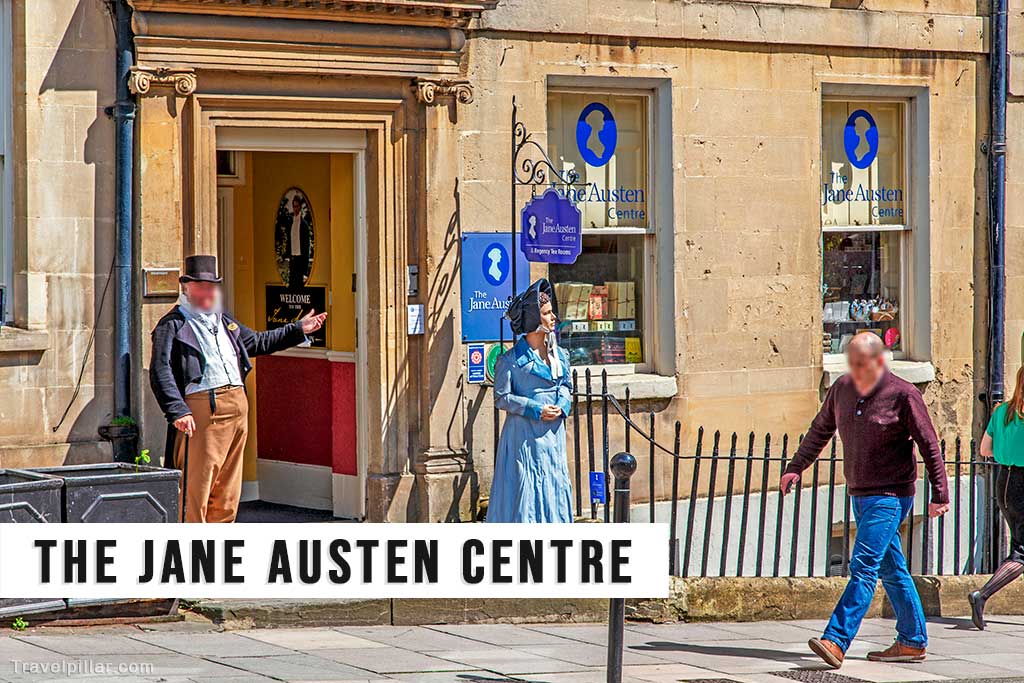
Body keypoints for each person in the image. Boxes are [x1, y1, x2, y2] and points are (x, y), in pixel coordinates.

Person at [780, 332, 949, 667]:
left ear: (879, 360)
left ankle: (836, 640)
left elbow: (929, 445)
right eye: (852, 363)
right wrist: (795, 467)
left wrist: (940, 493)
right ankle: (912, 641)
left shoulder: (904, 394)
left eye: (862, 364)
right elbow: (819, 431)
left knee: (863, 566)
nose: (856, 370)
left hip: (891, 495)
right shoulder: (841, 389)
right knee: (893, 569)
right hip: (860, 492)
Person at [149, 254, 326, 522]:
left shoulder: (223, 321)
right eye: (200, 286)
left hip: (236, 407)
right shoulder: (173, 324)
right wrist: (177, 411)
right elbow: (160, 370)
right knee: (195, 490)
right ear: (186, 288)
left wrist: (298, 329)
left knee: (227, 492)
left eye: (211, 287)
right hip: (202, 410)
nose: (207, 292)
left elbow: (257, 342)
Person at [487, 279, 573, 523]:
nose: (553, 317)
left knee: (554, 482)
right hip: (524, 436)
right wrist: (536, 409)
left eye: (551, 312)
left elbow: (566, 386)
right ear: (535, 319)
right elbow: (502, 397)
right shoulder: (510, 360)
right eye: (547, 313)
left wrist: (562, 406)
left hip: (553, 436)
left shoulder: (560, 356)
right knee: (526, 490)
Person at [969, 366, 1024, 629]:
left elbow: (985, 449)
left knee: (1019, 544)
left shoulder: (1002, 411)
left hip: (1004, 482)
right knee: (1022, 553)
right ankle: (983, 594)